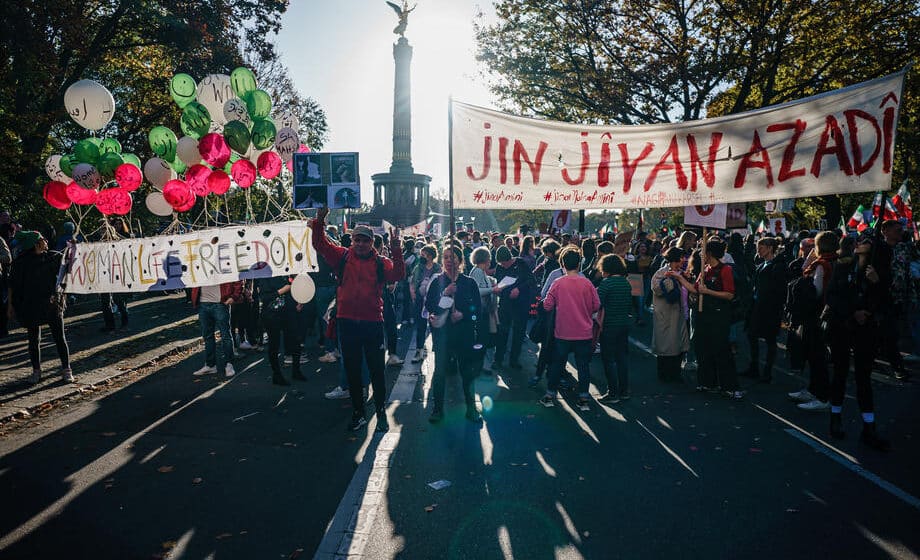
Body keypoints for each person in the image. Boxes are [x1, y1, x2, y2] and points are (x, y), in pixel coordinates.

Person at [312, 207, 405, 432]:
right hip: (347, 323)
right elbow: (319, 244)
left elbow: (399, 275)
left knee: (376, 371)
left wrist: (395, 248)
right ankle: (358, 412)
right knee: (352, 370)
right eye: (357, 240)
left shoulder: (382, 263)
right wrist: (320, 220)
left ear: (372, 242)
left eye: (365, 240)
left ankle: (381, 411)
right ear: (352, 241)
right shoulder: (342, 256)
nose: (361, 244)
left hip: (372, 322)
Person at [824, 231, 890, 450]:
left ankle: (869, 427)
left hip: (866, 330)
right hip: (843, 327)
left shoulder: (878, 271)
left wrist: (877, 283)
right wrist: (853, 312)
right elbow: (831, 296)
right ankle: (835, 417)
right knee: (840, 373)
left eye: (867, 242)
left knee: (863, 377)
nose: (861, 243)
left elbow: (886, 300)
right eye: (860, 241)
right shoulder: (843, 266)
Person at [667, 238, 742, 399]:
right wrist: (679, 278)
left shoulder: (725, 270)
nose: (700, 253)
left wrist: (707, 292)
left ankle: (729, 386)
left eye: (703, 251)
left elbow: (729, 294)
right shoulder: (705, 269)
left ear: (709, 253)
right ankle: (707, 382)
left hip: (719, 316)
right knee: (703, 349)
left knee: (721, 351)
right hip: (703, 315)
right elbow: (695, 290)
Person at [425, 246, 483, 423]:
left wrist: (464, 315)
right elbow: (430, 306)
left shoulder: (469, 282)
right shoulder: (437, 282)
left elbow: (478, 312)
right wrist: (445, 293)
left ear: (460, 260)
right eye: (446, 257)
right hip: (443, 336)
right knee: (440, 372)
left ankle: (471, 408)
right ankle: (437, 409)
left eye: (453, 257)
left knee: (467, 372)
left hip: (464, 335)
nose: (449, 260)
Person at [539, 247, 600, 410]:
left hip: (563, 332)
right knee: (583, 366)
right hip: (584, 332)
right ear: (579, 264)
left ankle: (550, 395)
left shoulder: (558, 283)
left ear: (562, 264)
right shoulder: (587, 283)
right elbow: (596, 306)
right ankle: (584, 398)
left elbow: (547, 305)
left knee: (557, 364)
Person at [8, 230, 71, 383]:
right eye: (43, 239)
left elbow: (69, 263)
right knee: (33, 339)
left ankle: (66, 369)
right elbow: (12, 285)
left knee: (59, 337)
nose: (46, 241)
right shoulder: (20, 263)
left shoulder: (52, 257)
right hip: (30, 305)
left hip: (52, 303)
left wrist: (73, 249)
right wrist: (10, 305)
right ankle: (36, 371)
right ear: (36, 244)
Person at [788, 231, 838, 411]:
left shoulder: (821, 264)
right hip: (825, 313)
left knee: (816, 356)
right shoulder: (835, 261)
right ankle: (813, 389)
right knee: (814, 354)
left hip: (815, 314)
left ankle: (822, 396)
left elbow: (815, 291)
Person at [743, 237, 786, 382]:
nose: (758, 251)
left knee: (770, 340)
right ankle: (754, 367)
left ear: (769, 248)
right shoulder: (762, 264)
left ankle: (767, 372)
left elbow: (779, 290)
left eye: (761, 248)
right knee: (752, 335)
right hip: (757, 307)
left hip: (770, 309)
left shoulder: (778, 266)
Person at [492, 246, 536, 370]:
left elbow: (531, 280)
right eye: (501, 264)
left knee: (519, 333)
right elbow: (500, 283)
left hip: (521, 304)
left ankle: (514, 360)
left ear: (510, 259)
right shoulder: (500, 267)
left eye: (506, 263)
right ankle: (498, 359)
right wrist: (499, 290)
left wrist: (519, 289)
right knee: (502, 333)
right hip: (506, 304)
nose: (504, 266)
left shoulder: (521, 263)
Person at [256, 275, 306, 385]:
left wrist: (300, 300)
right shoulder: (265, 276)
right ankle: (277, 375)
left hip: (289, 311)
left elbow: (297, 287)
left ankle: (296, 371)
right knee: (274, 345)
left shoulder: (287, 273)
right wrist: (282, 291)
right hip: (271, 314)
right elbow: (264, 297)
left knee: (295, 341)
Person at [596, 254, 633, 403]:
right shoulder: (626, 283)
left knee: (608, 359)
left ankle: (612, 393)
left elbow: (597, 304)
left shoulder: (607, 284)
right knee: (622, 358)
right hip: (624, 324)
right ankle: (624, 391)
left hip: (609, 325)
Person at [650, 248, 689, 383]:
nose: (683, 260)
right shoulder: (661, 273)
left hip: (679, 314)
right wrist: (668, 282)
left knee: (678, 345)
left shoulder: (682, 273)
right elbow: (656, 289)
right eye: (681, 258)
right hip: (666, 315)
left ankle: (675, 373)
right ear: (674, 259)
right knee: (665, 346)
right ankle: (665, 374)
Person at [191, 281, 243, 378]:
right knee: (208, 336)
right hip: (203, 304)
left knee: (225, 335)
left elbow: (236, 276)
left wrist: (234, 296)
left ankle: (229, 364)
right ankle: (210, 365)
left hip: (220, 303)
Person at [409, 244, 441, 363]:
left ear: (430, 256)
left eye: (424, 255)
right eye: (421, 254)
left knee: (435, 326)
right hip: (419, 300)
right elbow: (412, 282)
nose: (421, 257)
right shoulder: (419, 267)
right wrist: (413, 293)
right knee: (420, 326)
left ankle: (438, 351)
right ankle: (419, 351)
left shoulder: (437, 268)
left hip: (432, 302)